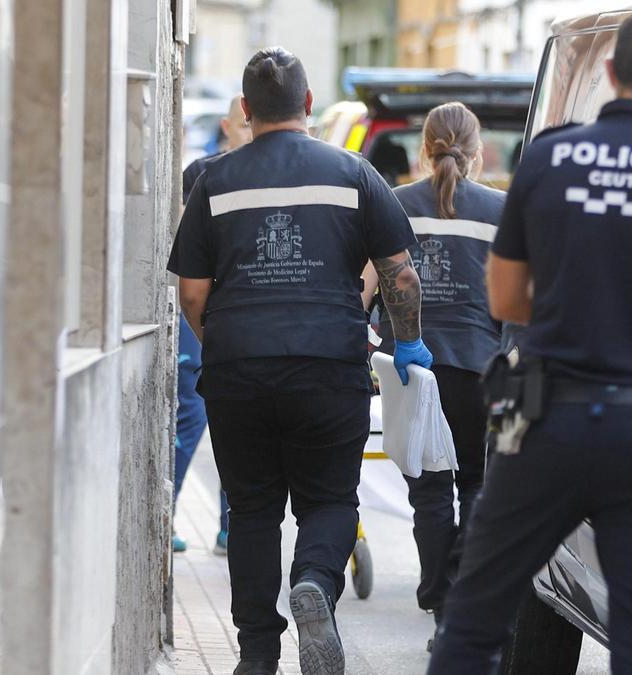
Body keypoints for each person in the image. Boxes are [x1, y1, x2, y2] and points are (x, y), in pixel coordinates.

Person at [426, 6, 632, 674]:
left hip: (545, 422)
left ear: (609, 72)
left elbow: (505, 298)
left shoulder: (549, 160)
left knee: (474, 620)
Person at [168, 47, 432, 675]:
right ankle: (314, 579)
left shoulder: (215, 179)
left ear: (245, 109)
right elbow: (400, 273)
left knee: (254, 511)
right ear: (309, 106)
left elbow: (192, 292)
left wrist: (224, 348)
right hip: (329, 367)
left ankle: (257, 656)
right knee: (330, 502)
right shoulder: (354, 174)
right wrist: (406, 342)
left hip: (238, 371)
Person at [364, 102, 503, 651]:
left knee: (428, 490)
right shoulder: (501, 210)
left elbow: (366, 289)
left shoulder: (393, 205)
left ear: (425, 149)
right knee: (476, 483)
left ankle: (438, 598)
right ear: (478, 151)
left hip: (411, 369)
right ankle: (455, 610)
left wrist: (370, 343)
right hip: (479, 366)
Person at [173, 94, 254, 556]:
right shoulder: (201, 174)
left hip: (241, 315)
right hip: (202, 312)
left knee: (239, 420)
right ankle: (168, 510)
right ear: (227, 126)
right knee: (193, 416)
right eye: (243, 126)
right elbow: (188, 258)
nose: (249, 133)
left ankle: (231, 525)